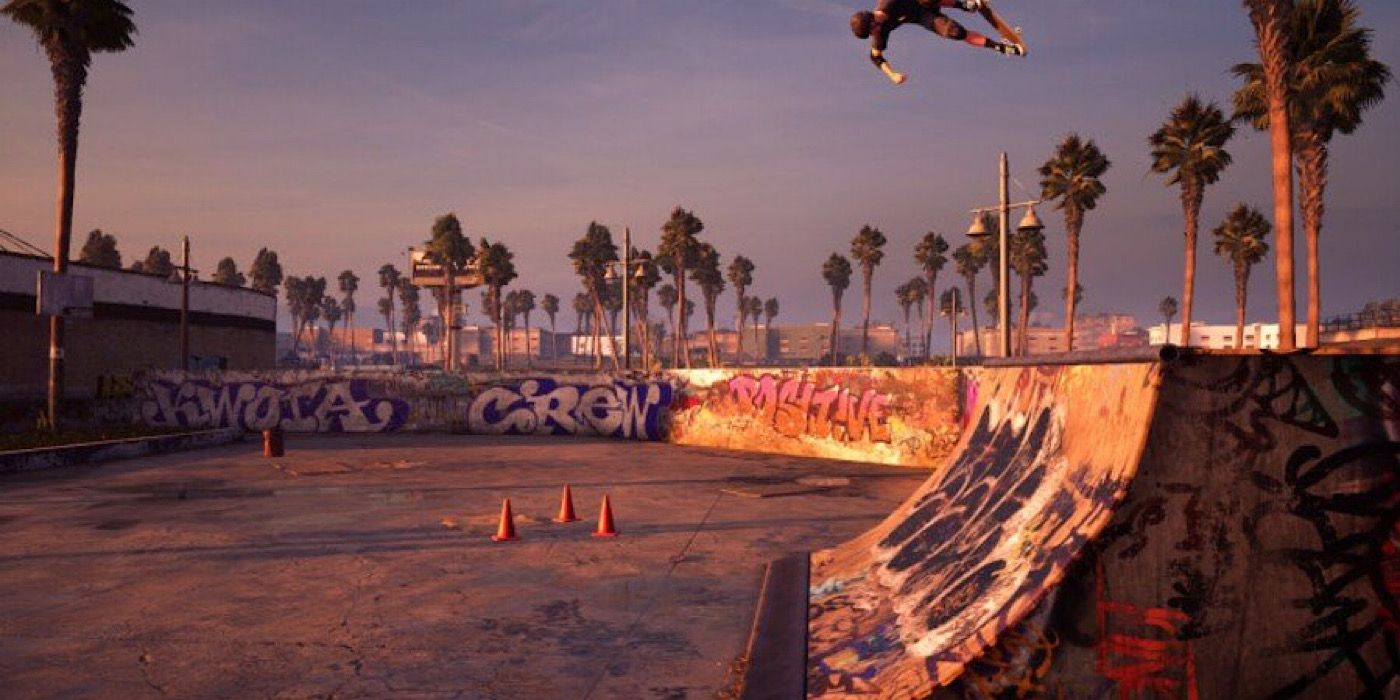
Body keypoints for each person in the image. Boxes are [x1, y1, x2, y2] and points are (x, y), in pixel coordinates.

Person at [850, 0, 1024, 85]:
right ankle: (1002, 47)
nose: (874, 34)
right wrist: (892, 75)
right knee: (955, 33)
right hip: (924, 16)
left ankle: (965, 4)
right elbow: (875, 56)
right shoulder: (881, 32)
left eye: (871, 30)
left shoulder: (889, 2)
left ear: (872, 21)